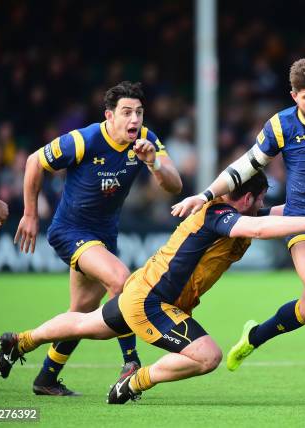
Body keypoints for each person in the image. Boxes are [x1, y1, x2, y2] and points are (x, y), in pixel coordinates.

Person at [0, 172, 305, 404]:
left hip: (143, 289)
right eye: (260, 199)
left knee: (84, 324)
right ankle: (133, 383)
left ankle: (19, 341)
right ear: (247, 199)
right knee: (207, 357)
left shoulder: (235, 211)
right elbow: (259, 230)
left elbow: (277, 215)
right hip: (154, 303)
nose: (262, 206)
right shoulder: (219, 216)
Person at [172, 58, 305, 400]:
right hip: (301, 221)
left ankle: (254, 337)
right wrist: (204, 195)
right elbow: (243, 167)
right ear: (293, 96)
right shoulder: (281, 125)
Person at [12, 81, 183, 396]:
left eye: (139, 113)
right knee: (121, 280)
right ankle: (130, 361)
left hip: (104, 237)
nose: (134, 120)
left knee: (80, 314)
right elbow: (35, 161)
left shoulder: (147, 140)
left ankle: (43, 374)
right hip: (70, 232)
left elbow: (174, 185)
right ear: (110, 116)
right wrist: (30, 214)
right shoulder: (84, 140)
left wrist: (154, 163)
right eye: (127, 112)